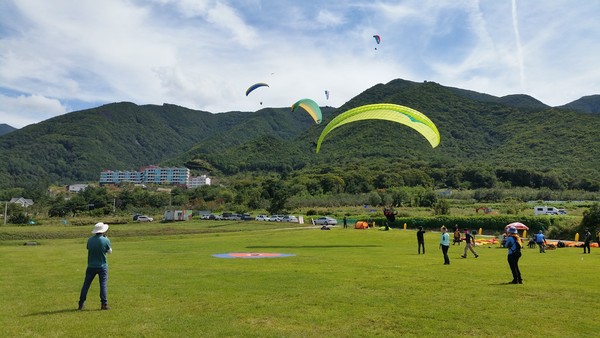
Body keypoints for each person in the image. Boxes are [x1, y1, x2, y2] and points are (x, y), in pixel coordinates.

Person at [78, 222, 113, 310]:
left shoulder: (90, 240)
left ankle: (81, 303)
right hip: (102, 266)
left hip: (91, 266)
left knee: (86, 285)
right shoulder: (105, 240)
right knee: (103, 285)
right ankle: (104, 304)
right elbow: (110, 252)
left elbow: (88, 248)